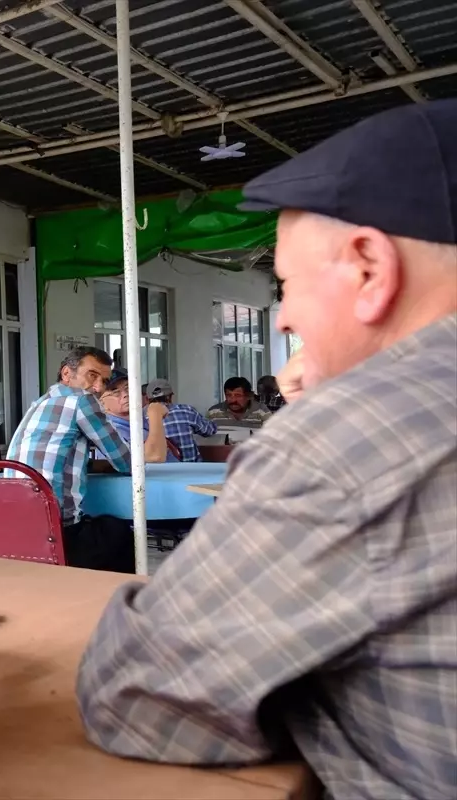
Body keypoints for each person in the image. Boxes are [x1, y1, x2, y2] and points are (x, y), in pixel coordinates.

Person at [77, 100, 456, 800]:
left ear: (371, 269)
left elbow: (134, 690)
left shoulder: (349, 435)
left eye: (286, 284)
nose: (283, 317)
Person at [6, 346, 169, 573]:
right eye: (92, 376)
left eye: (104, 380)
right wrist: (154, 416)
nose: (99, 388)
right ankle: (118, 602)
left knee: (100, 529)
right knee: (118, 531)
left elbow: (57, 457)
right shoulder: (81, 401)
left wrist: (96, 465)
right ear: (66, 374)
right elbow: (132, 462)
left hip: (12, 530)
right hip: (56, 534)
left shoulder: (40, 403)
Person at [98, 375, 177, 463]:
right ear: (102, 403)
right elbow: (154, 457)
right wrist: (155, 415)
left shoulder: (138, 422)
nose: (126, 394)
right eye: (116, 392)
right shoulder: (110, 431)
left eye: (128, 388)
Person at [144, 379, 217, 462]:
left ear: (147, 399)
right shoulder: (186, 410)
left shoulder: (140, 418)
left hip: (161, 472)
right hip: (193, 470)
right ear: (171, 396)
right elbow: (209, 430)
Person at [206, 376, 271, 424]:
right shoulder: (213, 413)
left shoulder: (262, 412)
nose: (233, 400)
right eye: (229, 395)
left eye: (238, 395)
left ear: (249, 396)